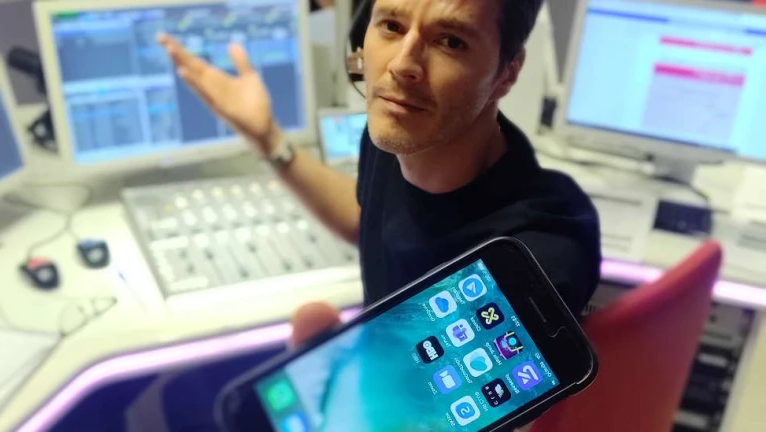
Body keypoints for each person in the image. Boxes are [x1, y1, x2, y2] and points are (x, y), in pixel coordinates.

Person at [159, 0, 599, 337]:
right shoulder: (396, 138)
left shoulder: (535, 257)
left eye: (451, 41)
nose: (402, 65)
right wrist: (269, 140)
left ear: (507, 73)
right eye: (391, 26)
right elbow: (368, 218)